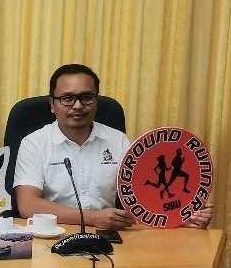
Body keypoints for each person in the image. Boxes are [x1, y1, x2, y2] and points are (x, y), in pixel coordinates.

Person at [14, 64, 213, 229]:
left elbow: (148, 197)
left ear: (96, 102)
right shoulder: (34, 143)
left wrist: (181, 217)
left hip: (108, 237)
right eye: (67, 98)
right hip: (52, 235)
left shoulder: (118, 140)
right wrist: (93, 218)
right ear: (52, 104)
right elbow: (28, 205)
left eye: (86, 97)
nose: (77, 106)